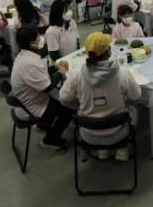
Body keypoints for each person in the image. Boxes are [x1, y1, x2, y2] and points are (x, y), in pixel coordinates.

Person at [59, 32, 141, 161]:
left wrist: (78, 106)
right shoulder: (123, 74)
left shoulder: (76, 74)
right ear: (109, 51)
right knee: (134, 108)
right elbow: (136, 98)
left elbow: (64, 99)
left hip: (88, 133)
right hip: (118, 132)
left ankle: (102, 151)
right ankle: (122, 149)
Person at [11, 26, 74, 150]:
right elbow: (48, 87)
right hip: (31, 106)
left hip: (28, 98)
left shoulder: (24, 55)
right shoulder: (30, 63)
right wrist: (60, 72)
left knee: (58, 98)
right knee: (68, 107)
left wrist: (55, 68)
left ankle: (43, 125)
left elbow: (41, 72)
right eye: (38, 37)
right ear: (31, 43)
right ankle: (50, 140)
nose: (41, 39)